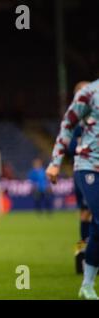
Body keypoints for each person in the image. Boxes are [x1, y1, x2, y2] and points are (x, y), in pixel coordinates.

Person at [46, 79, 99, 300]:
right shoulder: (89, 93)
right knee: (89, 215)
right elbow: (67, 125)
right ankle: (81, 256)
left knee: (96, 223)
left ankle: (86, 280)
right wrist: (56, 161)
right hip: (89, 166)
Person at [67, 81, 92, 274]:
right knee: (87, 214)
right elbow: (68, 147)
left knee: (88, 214)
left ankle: (85, 255)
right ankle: (83, 255)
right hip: (85, 172)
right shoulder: (77, 120)